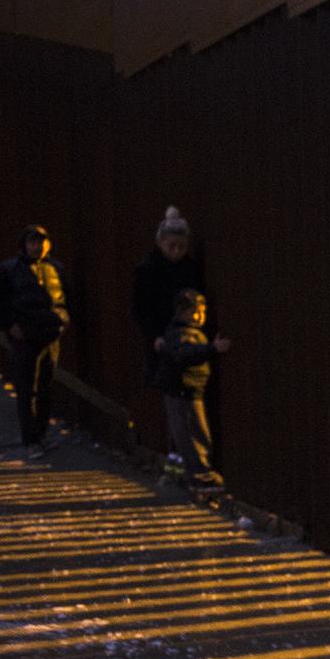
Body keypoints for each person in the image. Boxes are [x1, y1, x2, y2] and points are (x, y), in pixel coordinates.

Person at [0, 225, 70, 459]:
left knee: (45, 387)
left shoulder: (55, 268)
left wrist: (62, 321)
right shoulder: (10, 270)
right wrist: (10, 326)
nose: (37, 246)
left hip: (50, 335)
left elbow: (63, 297)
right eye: (33, 242)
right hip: (26, 337)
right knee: (26, 389)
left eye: (41, 241)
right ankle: (30, 440)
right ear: (24, 245)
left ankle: (40, 435)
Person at [155, 289, 232, 496]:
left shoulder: (179, 331)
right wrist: (212, 349)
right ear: (182, 312)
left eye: (202, 311)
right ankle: (201, 477)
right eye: (194, 312)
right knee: (195, 434)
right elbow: (184, 354)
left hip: (184, 389)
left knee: (182, 434)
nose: (199, 316)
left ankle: (180, 474)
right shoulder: (183, 333)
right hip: (185, 390)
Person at [133, 206, 203, 399]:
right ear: (161, 243)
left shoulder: (189, 268)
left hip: (183, 334)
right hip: (162, 335)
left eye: (181, 247)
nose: (176, 251)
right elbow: (142, 308)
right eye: (171, 246)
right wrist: (154, 334)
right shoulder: (148, 270)